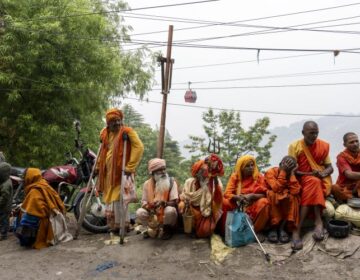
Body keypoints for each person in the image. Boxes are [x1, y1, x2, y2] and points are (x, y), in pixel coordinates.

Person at [96, 108, 144, 234]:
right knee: (110, 198)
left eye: (118, 120)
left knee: (120, 198)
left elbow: (139, 147)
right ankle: (114, 225)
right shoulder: (105, 133)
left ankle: (123, 225)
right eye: (114, 121)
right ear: (108, 123)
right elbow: (102, 151)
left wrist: (130, 166)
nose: (117, 123)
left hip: (122, 172)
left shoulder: (127, 132)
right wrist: (97, 167)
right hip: (107, 174)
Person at [288, 121, 333, 249]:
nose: (314, 136)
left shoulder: (322, 146)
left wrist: (322, 173)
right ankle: (317, 222)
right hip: (300, 179)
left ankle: (297, 229)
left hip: (318, 179)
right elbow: (292, 170)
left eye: (316, 133)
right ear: (303, 133)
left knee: (314, 182)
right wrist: (309, 173)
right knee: (313, 182)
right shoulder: (295, 146)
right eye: (311, 133)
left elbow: (330, 167)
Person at [16, 168, 71, 249]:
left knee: (20, 217)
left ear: (29, 177)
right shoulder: (44, 184)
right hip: (52, 219)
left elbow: (33, 214)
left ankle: (28, 240)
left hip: (44, 224)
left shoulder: (34, 191)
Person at [221, 155, 270, 236]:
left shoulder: (259, 177)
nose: (251, 168)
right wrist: (238, 197)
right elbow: (227, 193)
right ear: (241, 167)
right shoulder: (235, 176)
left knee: (264, 202)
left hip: (253, 206)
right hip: (238, 206)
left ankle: (256, 231)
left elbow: (265, 194)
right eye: (247, 166)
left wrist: (252, 196)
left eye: (252, 165)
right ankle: (227, 232)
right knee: (224, 202)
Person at [178, 154, 224, 238]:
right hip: (191, 209)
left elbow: (218, 200)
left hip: (207, 211)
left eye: (205, 172)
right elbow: (184, 196)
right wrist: (186, 201)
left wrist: (214, 180)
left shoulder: (214, 182)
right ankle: (187, 227)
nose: (203, 174)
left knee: (206, 230)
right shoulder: (189, 182)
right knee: (181, 205)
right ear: (196, 173)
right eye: (201, 171)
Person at [136, 158, 179, 240]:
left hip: (165, 212)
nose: (163, 172)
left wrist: (164, 203)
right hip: (152, 213)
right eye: (159, 170)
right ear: (153, 173)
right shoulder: (146, 184)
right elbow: (144, 201)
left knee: (170, 210)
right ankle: (150, 229)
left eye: (164, 169)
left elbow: (174, 202)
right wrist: (149, 206)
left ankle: (167, 230)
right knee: (140, 212)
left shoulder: (171, 182)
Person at [265, 156, 301, 244]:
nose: (287, 169)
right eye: (285, 166)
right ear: (280, 164)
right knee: (273, 194)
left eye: (290, 168)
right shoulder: (271, 172)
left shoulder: (291, 174)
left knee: (293, 197)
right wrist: (283, 172)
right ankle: (274, 227)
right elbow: (276, 188)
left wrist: (291, 174)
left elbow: (295, 191)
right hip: (272, 197)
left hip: (285, 197)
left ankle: (282, 227)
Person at [332, 132, 360, 203]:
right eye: (351, 142)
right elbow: (349, 174)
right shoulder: (341, 157)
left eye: (357, 141)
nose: (355, 144)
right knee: (335, 188)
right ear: (345, 145)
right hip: (345, 187)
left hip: (358, 185)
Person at [0, 161, 13, 241]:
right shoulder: (4, 181)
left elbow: (4, 198)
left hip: (4, 207)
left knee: (4, 220)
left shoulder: (6, 185)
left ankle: (3, 234)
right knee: (3, 220)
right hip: (3, 206)